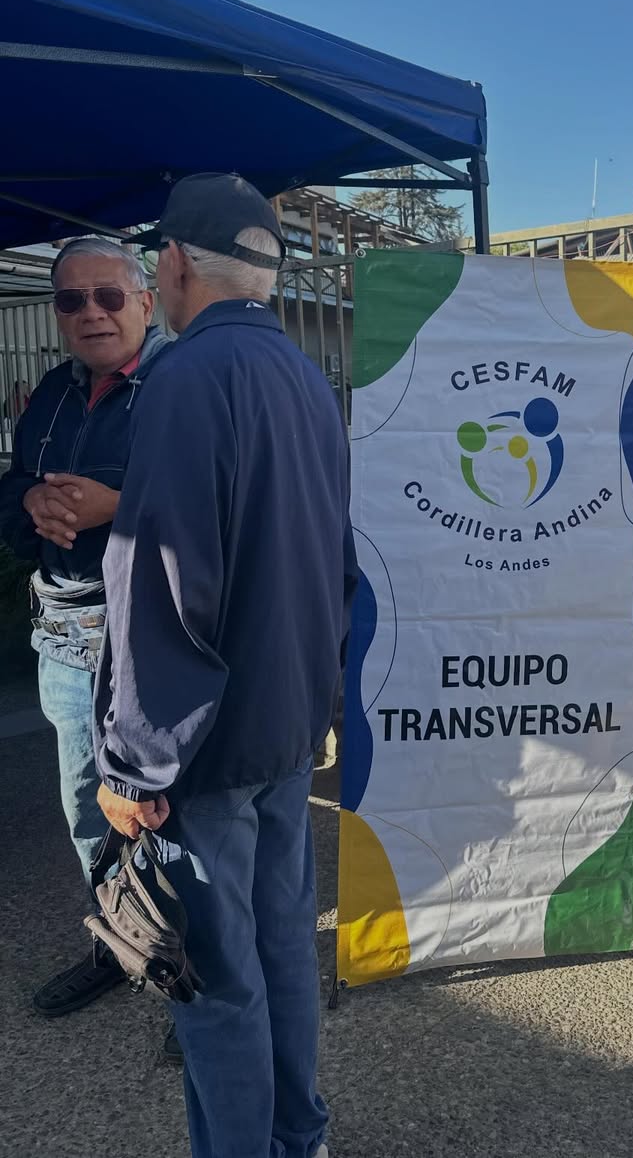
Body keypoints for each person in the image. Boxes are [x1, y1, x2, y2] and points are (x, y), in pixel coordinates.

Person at [93, 173, 356, 1158]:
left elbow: (160, 581)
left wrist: (133, 764)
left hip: (201, 743)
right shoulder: (302, 376)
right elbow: (336, 560)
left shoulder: (186, 377)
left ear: (171, 264)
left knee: (214, 977)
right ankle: (300, 1136)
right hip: (285, 720)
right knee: (281, 946)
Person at [0, 237, 170, 1020]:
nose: (91, 313)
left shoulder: (182, 385)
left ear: (146, 301)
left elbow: (229, 510)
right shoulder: (53, 393)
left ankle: (197, 983)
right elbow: (13, 488)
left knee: (170, 812)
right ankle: (119, 942)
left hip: (153, 642)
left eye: (109, 295)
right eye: (72, 300)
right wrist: (30, 502)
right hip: (65, 641)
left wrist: (120, 508)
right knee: (82, 802)